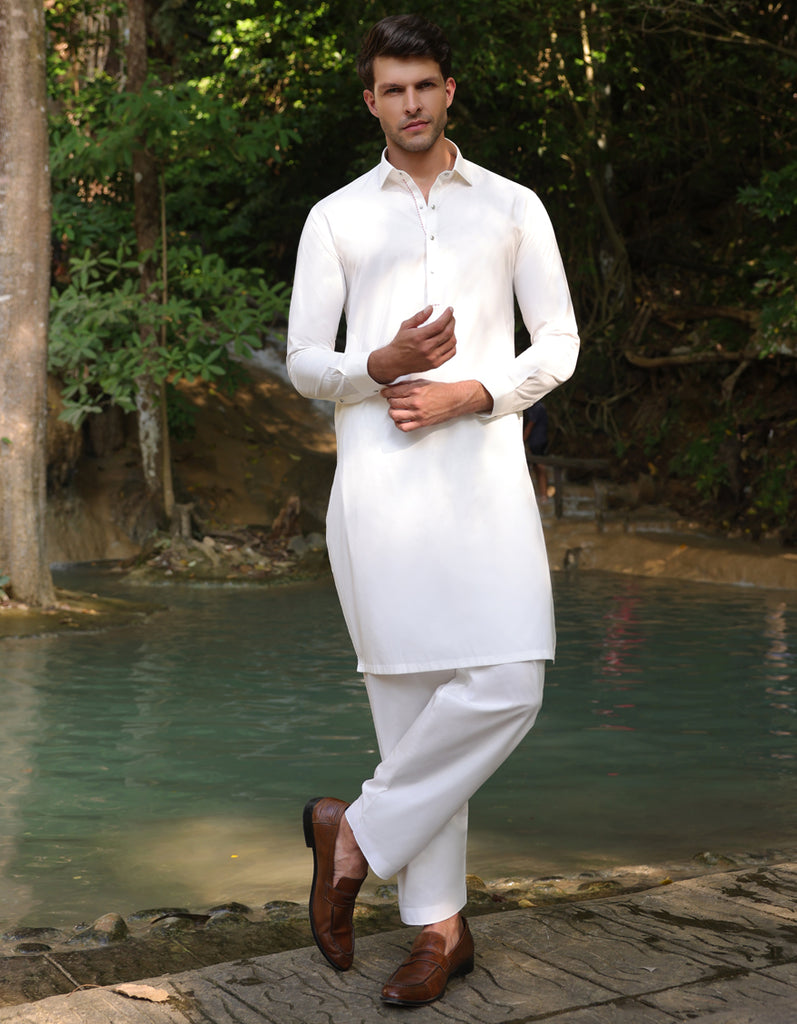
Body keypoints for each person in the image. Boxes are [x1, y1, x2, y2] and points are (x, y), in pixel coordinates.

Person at [287, 13, 579, 1007]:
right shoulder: (335, 217)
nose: (409, 104)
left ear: (448, 90)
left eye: (424, 86)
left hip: (484, 483)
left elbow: (558, 343)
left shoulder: (511, 207)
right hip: (378, 494)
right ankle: (439, 933)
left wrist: (474, 392)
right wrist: (376, 365)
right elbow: (303, 361)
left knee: (509, 683)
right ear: (369, 100)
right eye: (391, 89)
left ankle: (353, 837)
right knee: (411, 721)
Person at [523, 400, 550, 501]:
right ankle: (541, 494)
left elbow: (530, 426)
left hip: (537, 441)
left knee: (539, 466)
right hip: (537, 440)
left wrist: (522, 440)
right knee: (536, 467)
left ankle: (544, 494)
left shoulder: (537, 407)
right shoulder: (535, 406)